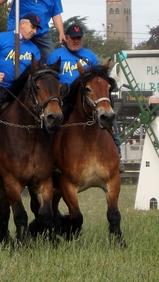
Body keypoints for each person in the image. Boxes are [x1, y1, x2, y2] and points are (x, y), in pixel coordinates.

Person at [47, 23, 124, 173]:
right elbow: (50, 78)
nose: (76, 41)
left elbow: (99, 78)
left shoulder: (90, 56)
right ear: (66, 38)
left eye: (79, 38)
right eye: (73, 38)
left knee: (110, 119)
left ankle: (118, 154)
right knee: (53, 123)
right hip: (64, 98)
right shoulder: (55, 55)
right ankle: (51, 158)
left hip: (87, 97)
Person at [0, 14, 41, 172]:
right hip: (0, 87)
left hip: (23, 92)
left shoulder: (34, 49)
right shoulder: (2, 38)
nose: (35, 31)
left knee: (43, 112)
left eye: (37, 29)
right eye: (33, 27)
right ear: (22, 24)